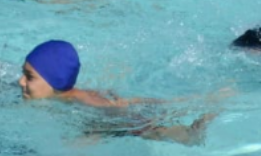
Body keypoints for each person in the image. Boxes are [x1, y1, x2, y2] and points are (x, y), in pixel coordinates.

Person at [18, 40, 212, 145]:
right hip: (102, 119)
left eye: (30, 77)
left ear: (56, 82)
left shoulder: (87, 103)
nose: (21, 81)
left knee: (155, 133)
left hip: (122, 119)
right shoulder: (63, 97)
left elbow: (126, 115)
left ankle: (195, 130)